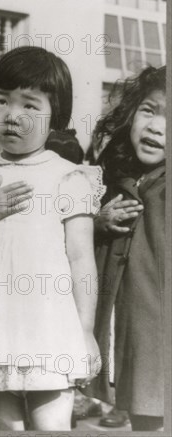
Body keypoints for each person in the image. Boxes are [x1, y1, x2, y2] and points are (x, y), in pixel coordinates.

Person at [0, 46, 104, 431]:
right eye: (1, 101)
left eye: (30, 105)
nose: (13, 116)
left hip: (50, 327)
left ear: (55, 115)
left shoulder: (67, 176)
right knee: (2, 427)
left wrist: (84, 331)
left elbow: (81, 260)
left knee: (53, 426)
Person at [86, 65, 166, 432]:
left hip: (160, 340)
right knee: (144, 421)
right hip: (135, 336)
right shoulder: (120, 178)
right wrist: (98, 223)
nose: (156, 126)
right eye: (149, 110)